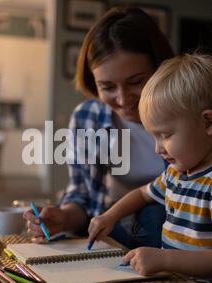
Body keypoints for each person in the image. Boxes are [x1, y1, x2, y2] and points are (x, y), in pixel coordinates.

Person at [87, 53, 212, 283]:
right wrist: (110, 216)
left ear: (208, 123)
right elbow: (142, 194)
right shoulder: (177, 174)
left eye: (165, 135)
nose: (157, 148)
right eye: (153, 136)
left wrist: (165, 259)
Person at [23, 6, 174, 247]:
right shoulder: (87, 118)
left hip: (174, 227)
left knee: (155, 217)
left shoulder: (184, 114)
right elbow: (82, 197)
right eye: (107, 87)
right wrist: (63, 219)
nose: (124, 100)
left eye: (136, 81)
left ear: (159, 68)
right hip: (111, 224)